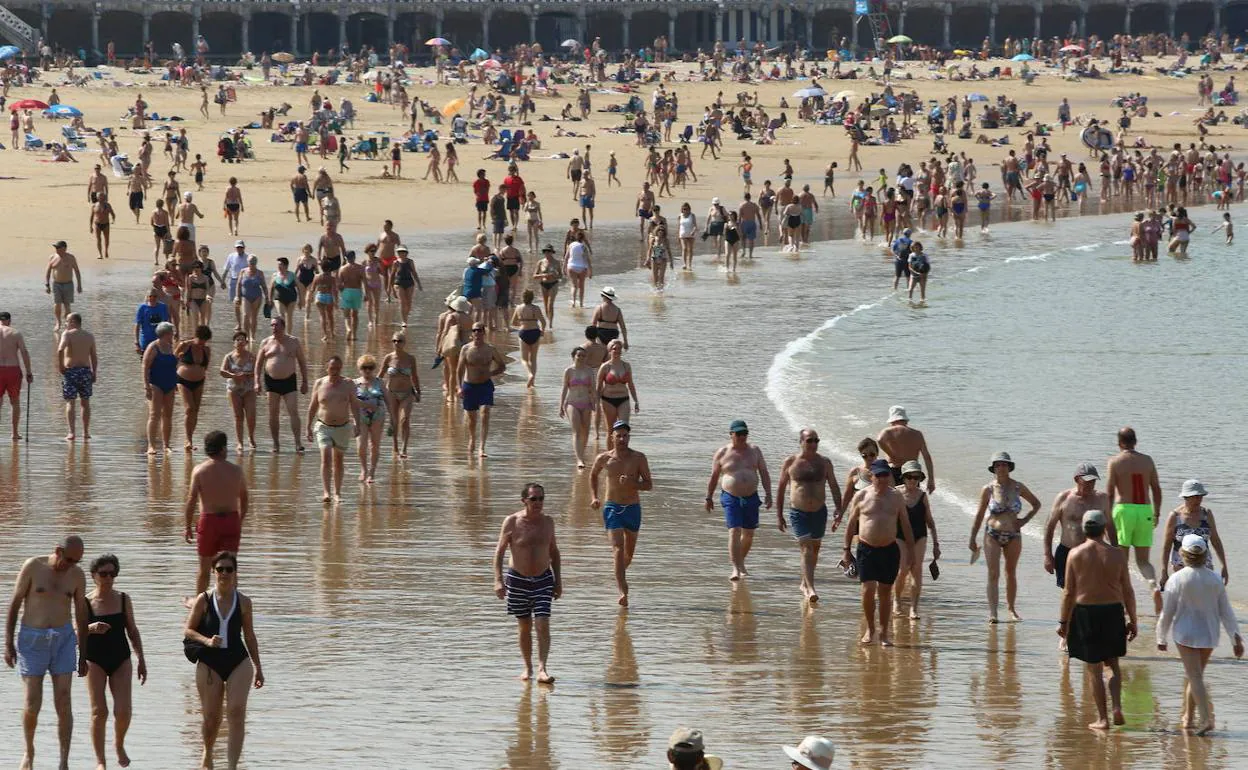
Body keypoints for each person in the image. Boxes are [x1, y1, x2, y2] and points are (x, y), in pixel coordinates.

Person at [4, 536, 89, 770]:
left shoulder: (76, 575)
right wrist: (8, 643)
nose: (71, 565)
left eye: (76, 561)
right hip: (32, 640)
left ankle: (64, 761)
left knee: (63, 701)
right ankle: (29, 752)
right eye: (69, 559)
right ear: (57, 551)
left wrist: (83, 653)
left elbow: (81, 614)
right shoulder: (33, 567)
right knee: (33, 703)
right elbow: (14, 604)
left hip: (63, 640)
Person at [1057, 510, 1138, 731]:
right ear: (1104, 529)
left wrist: (1063, 622)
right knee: (1112, 664)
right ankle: (1117, 707)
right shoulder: (1118, 555)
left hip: (1086, 613)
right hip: (1113, 611)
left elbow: (1068, 592)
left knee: (1093, 669)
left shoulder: (1075, 554)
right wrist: (1133, 618)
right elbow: (1128, 590)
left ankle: (1102, 719)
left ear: (1084, 529)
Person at [183, 551, 264, 770]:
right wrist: (207, 640)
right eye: (220, 569)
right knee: (211, 718)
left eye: (229, 569)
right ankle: (207, 755)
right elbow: (188, 630)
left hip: (238, 660)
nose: (224, 573)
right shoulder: (204, 599)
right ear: (213, 572)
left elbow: (249, 636)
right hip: (210, 662)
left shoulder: (245, 602)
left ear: (235, 573)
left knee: (237, 712)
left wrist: (258, 667)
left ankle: (232, 766)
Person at [1157, 534, 1244, 735]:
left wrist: (1161, 637)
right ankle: (1188, 717)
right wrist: (1235, 637)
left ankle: (1205, 719)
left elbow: (1167, 612)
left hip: (1185, 633)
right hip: (1209, 633)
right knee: (1194, 674)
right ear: (1205, 555)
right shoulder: (1214, 579)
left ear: (1182, 554)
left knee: (1194, 675)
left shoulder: (1176, 579)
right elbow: (1226, 611)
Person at [492, 483, 562, 684]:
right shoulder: (512, 521)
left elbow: (554, 552)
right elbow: (499, 551)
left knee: (542, 622)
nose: (538, 503)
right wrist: (498, 580)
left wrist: (558, 581)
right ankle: (527, 667)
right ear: (524, 500)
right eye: (533, 499)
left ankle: (542, 668)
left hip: (543, 578)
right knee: (524, 626)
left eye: (541, 499)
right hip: (517, 578)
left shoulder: (548, 522)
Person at [84, 554, 147, 770]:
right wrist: (90, 629)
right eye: (103, 574)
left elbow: (133, 630)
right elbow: (73, 632)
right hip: (94, 659)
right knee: (98, 711)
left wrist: (141, 659)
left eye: (112, 573)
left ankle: (118, 744)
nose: (108, 578)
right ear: (94, 576)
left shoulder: (123, 599)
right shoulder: (85, 601)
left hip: (121, 658)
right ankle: (100, 761)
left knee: (123, 710)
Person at [841, 458, 913, 645]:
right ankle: (870, 629)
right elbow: (850, 525)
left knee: (885, 592)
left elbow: (905, 524)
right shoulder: (861, 496)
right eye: (878, 475)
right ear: (871, 476)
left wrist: (911, 551)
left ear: (889, 476)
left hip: (889, 550)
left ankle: (883, 633)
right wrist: (846, 550)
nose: (882, 479)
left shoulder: (896, 496)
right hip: (866, 549)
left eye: (885, 475)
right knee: (867, 590)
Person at [968, 451, 1042, 623]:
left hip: (1013, 535)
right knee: (993, 573)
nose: (1001, 467)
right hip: (992, 534)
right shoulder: (988, 489)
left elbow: (1037, 504)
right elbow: (979, 515)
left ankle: (1011, 609)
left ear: (1010, 467)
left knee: (1011, 572)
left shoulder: (1018, 487)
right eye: (998, 465)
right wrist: (972, 538)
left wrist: (1024, 520)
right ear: (993, 468)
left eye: (1004, 464)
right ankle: (993, 612)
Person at [775, 428, 844, 603]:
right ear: (801, 442)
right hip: (798, 513)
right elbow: (781, 489)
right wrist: (779, 515)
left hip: (820, 512)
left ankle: (804, 582)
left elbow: (834, 486)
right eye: (809, 441)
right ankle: (811, 588)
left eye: (816, 440)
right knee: (806, 549)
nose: (813, 444)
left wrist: (839, 509)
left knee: (815, 549)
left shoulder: (825, 463)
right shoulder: (791, 462)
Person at [590, 421, 653, 607]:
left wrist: (633, 483)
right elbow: (592, 475)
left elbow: (649, 484)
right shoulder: (604, 458)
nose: (622, 439)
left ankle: (619, 573)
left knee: (628, 554)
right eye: (618, 435)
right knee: (617, 548)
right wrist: (594, 497)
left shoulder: (639, 458)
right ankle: (622, 590)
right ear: (612, 437)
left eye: (625, 435)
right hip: (612, 508)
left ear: (629, 437)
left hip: (632, 509)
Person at [705, 419, 773, 581]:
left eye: (745, 434)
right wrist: (709, 497)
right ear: (731, 434)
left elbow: (764, 472)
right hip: (731, 497)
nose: (742, 437)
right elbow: (714, 477)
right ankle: (735, 568)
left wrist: (769, 493)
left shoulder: (755, 451)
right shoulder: (722, 452)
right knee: (734, 530)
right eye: (739, 434)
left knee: (748, 534)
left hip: (751, 497)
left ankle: (740, 561)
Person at [1105, 426, 1164, 611]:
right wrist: (1156, 513)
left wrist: (1107, 517)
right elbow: (1156, 489)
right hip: (1145, 510)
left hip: (1124, 510)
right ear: (1135, 441)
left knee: (1122, 561)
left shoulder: (1115, 462)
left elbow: (1109, 493)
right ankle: (1153, 585)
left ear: (1119, 443)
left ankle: (1123, 603)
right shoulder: (1147, 460)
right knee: (1143, 561)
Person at [184, 430, 249, 599]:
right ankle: (232, 604)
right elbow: (244, 499)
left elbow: (191, 500)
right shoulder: (236, 471)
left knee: (204, 569)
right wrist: (239, 520)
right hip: (231, 519)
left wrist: (187, 526)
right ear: (222, 448)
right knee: (230, 568)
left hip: (209, 520)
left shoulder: (199, 471)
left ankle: (199, 605)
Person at [1044, 463, 1113, 604]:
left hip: (1094, 554)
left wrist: (1115, 552)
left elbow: (1111, 527)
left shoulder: (1102, 499)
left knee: (1092, 593)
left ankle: (1081, 623)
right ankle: (1067, 624)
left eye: (1093, 481)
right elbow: (1049, 527)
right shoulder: (1064, 498)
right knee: (1069, 593)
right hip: (1067, 551)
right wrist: (1047, 555)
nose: (1090, 484)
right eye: (1087, 480)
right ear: (1077, 479)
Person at [306, 355, 362, 503]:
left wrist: (358, 423)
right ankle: (326, 492)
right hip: (323, 426)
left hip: (343, 427)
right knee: (325, 457)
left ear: (341, 368)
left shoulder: (348, 384)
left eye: (337, 368)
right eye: (332, 368)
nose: (335, 371)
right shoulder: (319, 383)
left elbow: (355, 405)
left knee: (338, 460)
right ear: (327, 368)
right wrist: (307, 427)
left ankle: (337, 493)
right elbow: (312, 406)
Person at [893, 460, 940, 620]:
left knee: (917, 569)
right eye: (909, 477)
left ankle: (914, 608)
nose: (913, 480)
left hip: (920, 535)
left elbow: (930, 522)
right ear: (903, 477)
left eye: (916, 477)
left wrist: (936, 545)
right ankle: (897, 600)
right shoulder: (895, 493)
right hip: (900, 536)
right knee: (903, 569)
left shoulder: (922, 496)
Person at [1161, 479, 1230, 587]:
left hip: (1205, 563)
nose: (1199, 499)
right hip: (1181, 565)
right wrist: (1164, 571)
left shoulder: (1206, 514)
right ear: (1186, 497)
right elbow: (1166, 546)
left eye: (1201, 496)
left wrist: (1224, 566)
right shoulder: (1175, 516)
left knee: (1206, 596)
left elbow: (1216, 541)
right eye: (1195, 496)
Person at [254, 317, 309, 453]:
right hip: (271, 381)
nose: (274, 328)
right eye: (272, 325)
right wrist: (257, 381)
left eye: (276, 325)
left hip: (289, 380)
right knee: (273, 414)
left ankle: (297, 443)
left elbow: (302, 362)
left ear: (283, 326)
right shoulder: (266, 342)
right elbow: (258, 364)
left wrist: (305, 381)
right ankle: (276, 444)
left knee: (293, 412)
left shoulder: (293, 341)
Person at [457, 322, 506, 457]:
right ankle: (472, 439)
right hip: (469, 386)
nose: (477, 333)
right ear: (472, 333)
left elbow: (502, 366)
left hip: (485, 385)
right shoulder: (466, 349)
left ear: (484, 332)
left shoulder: (490, 349)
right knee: (472, 419)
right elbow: (460, 369)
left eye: (480, 330)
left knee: (485, 413)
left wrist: (490, 373)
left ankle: (482, 447)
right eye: (474, 330)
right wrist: (458, 386)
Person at [56, 312, 97, 442]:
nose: (66, 324)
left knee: (70, 402)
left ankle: (71, 432)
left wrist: (61, 366)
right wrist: (94, 372)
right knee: (85, 402)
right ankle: (86, 432)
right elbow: (94, 356)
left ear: (73, 322)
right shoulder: (89, 336)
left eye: (67, 321)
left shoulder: (67, 334)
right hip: (85, 371)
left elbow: (60, 350)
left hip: (71, 371)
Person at [381, 333, 421, 459]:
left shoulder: (410, 358)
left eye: (400, 341)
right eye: (394, 341)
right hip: (391, 393)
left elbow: (414, 376)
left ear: (404, 343)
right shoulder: (388, 358)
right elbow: (380, 375)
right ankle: (395, 447)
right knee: (394, 421)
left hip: (407, 393)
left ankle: (404, 448)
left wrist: (418, 391)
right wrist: (372, 390)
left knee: (404, 420)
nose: (397, 343)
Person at [876, 405, 936, 489]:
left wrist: (892, 455)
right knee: (912, 499)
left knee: (894, 499)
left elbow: (879, 439)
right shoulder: (917, 434)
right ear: (905, 420)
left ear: (892, 421)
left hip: (894, 470)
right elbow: (927, 457)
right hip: (913, 473)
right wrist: (931, 479)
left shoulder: (889, 431)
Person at [141, 322, 179, 454]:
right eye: (171, 332)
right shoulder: (153, 347)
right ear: (165, 333)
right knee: (154, 415)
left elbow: (174, 366)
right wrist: (146, 386)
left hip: (170, 384)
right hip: (155, 384)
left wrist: (175, 383)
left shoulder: (171, 347)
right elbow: (145, 366)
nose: (173, 335)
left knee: (168, 415)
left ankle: (166, 445)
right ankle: (151, 446)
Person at [354, 355, 392, 484]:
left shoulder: (380, 382)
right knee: (361, 445)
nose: (367, 371)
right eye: (364, 368)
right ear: (360, 368)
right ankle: (363, 469)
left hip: (378, 416)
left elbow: (388, 400)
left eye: (370, 368)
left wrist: (393, 419)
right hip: (360, 416)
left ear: (374, 368)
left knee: (375, 445)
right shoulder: (354, 383)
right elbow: (350, 401)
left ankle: (372, 472)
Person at [558, 347, 596, 468]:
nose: (581, 358)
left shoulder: (589, 371)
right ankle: (579, 459)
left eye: (583, 356)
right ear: (574, 356)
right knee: (576, 431)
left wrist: (595, 403)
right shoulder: (569, 371)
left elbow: (593, 389)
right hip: (572, 403)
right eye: (579, 355)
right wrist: (561, 405)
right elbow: (564, 388)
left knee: (585, 431)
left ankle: (581, 453)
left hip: (586, 403)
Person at [176, 325, 212, 452]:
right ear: (196, 337)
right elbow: (172, 360)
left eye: (205, 341)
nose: (202, 343)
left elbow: (205, 367)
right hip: (183, 380)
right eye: (201, 340)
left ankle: (190, 439)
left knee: (195, 411)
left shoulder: (207, 350)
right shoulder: (185, 345)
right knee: (189, 409)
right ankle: (187, 439)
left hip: (199, 382)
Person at [220, 331, 257, 452]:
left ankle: (251, 438)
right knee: (238, 416)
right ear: (234, 343)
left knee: (251, 415)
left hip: (249, 389)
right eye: (238, 340)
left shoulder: (251, 356)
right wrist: (233, 375)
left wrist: (246, 375)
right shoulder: (228, 357)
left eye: (242, 339)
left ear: (246, 342)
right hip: (233, 389)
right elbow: (222, 371)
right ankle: (240, 442)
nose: (240, 342)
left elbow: (257, 371)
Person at [0, 311, 34, 441]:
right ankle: (14, 433)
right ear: (9, 321)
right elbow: (24, 352)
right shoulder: (15, 333)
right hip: (13, 369)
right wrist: (29, 372)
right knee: (15, 402)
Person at [510, 290, 547, 388]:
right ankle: (533, 381)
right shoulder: (536, 308)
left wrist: (522, 323)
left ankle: (529, 374)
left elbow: (513, 323)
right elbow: (543, 322)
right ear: (532, 298)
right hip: (535, 332)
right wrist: (542, 331)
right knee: (533, 359)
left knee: (524, 359)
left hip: (524, 332)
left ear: (523, 297)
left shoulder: (518, 308)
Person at [45, 240, 83, 332]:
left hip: (68, 284)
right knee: (57, 304)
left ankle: (68, 323)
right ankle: (58, 322)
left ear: (64, 248)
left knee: (67, 305)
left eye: (58, 248)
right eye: (56, 248)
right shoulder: (52, 257)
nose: (56, 249)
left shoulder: (71, 258)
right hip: (56, 284)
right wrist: (47, 285)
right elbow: (48, 271)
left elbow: (77, 271)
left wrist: (79, 285)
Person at [134, 288, 170, 356]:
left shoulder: (163, 307)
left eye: (154, 296)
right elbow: (137, 325)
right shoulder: (142, 308)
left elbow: (166, 323)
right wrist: (136, 342)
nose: (152, 298)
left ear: (158, 297)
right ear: (147, 297)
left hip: (159, 340)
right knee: (145, 361)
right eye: (150, 296)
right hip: (145, 340)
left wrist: (169, 339)